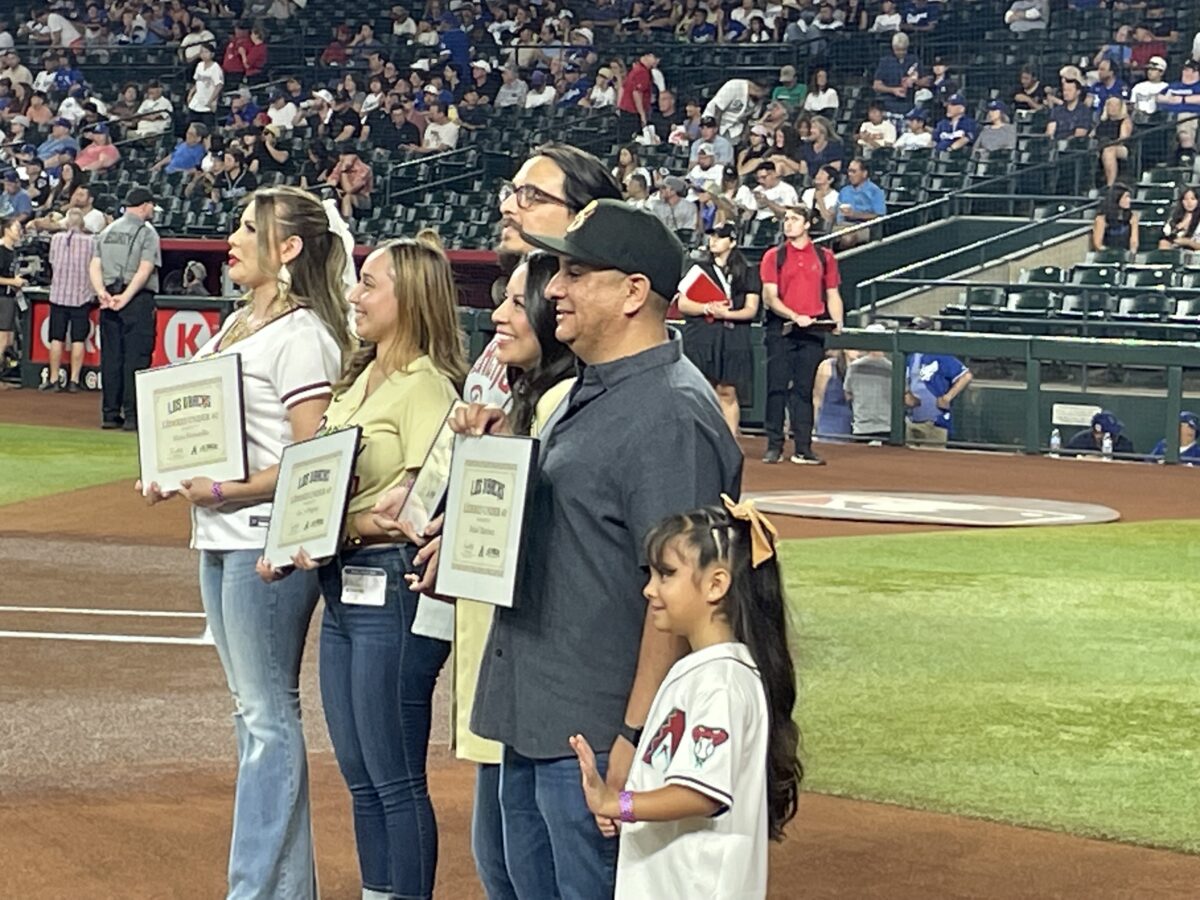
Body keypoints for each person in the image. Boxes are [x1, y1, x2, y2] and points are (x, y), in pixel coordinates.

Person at [430, 200, 744, 899]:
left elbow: (677, 600)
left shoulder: (670, 414)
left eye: (575, 272)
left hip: (595, 736)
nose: (553, 290)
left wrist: (633, 737)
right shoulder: (585, 390)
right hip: (534, 714)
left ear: (634, 292)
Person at [138, 186, 354, 900]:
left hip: (265, 543)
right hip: (220, 535)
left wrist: (228, 491)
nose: (230, 238)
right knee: (253, 716)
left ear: (288, 249)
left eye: (246, 228)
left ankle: (252, 889)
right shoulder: (236, 326)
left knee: (267, 717)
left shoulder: (304, 336)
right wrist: (174, 473)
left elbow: (312, 461)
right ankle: (286, 891)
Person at [260, 235, 466, 900]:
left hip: (396, 589)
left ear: (408, 297)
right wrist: (297, 534)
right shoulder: (356, 382)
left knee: (395, 775)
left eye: (369, 283)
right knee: (360, 772)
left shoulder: (427, 387)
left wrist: (335, 524)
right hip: (342, 589)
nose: (354, 294)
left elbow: (420, 509)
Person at [569, 495, 801, 899]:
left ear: (716, 585)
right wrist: (626, 807)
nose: (649, 589)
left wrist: (617, 803)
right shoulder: (699, 670)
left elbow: (701, 793)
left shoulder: (722, 681)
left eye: (666, 574)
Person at [760, 205, 845, 464]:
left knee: (803, 389)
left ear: (807, 224)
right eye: (786, 219)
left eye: (795, 219)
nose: (788, 224)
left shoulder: (824, 256)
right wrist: (794, 315)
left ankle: (803, 447)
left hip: (813, 329)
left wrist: (838, 320)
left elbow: (832, 293)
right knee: (776, 386)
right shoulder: (774, 256)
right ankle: (774, 445)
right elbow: (770, 297)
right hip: (782, 329)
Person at [678, 221, 762, 436]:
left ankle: (729, 443)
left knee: (727, 391)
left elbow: (751, 309)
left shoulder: (747, 271)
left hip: (732, 338)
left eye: (720, 236)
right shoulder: (698, 270)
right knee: (701, 389)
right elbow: (683, 304)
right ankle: (701, 440)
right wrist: (706, 307)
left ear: (732, 242)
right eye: (712, 236)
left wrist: (727, 314)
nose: (713, 240)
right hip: (702, 338)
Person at [89, 187, 161, 431]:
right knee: (136, 358)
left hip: (108, 299)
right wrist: (126, 296)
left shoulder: (107, 230)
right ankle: (132, 415)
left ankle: (110, 413)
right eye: (151, 205)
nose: (152, 210)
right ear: (143, 206)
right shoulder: (147, 232)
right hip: (135, 299)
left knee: (111, 358)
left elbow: (95, 265)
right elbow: (145, 269)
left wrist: (102, 293)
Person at [42, 207, 93, 391]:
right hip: (81, 296)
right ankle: (73, 381)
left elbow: (52, 262)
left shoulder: (56, 239)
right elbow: (93, 266)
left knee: (57, 338)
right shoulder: (90, 241)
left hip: (58, 295)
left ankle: (54, 380)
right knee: (78, 339)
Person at [904, 317, 972, 446]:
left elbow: (966, 376)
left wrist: (947, 397)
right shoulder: (908, 356)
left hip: (935, 421)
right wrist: (907, 394)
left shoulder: (939, 355)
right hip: (911, 419)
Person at [842, 326, 894, 441]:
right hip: (887, 428)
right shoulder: (893, 368)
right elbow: (905, 399)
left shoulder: (854, 366)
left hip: (862, 428)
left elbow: (848, 395)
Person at [0, 215, 24, 371]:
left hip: (8, 296)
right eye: (16, 228)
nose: (20, 232)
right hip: (2, 298)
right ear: (7, 230)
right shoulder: (1, 251)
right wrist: (13, 282)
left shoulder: (12, 251)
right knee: (2, 338)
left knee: (7, 339)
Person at [812, 350, 853, 441]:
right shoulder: (828, 366)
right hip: (829, 423)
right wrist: (814, 426)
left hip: (854, 424)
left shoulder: (864, 367)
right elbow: (817, 398)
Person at [1091, 183, 1139, 254]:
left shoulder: (1132, 217)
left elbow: (1134, 242)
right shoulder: (1101, 219)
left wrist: (1130, 254)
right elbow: (1098, 244)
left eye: (1129, 197)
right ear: (1117, 198)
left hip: (1125, 254)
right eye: (1126, 197)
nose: (1129, 200)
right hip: (1106, 255)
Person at [1064, 409, 1134, 456]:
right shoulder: (1080, 441)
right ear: (1097, 431)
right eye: (1107, 433)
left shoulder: (1123, 443)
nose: (1112, 437)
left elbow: (1135, 462)